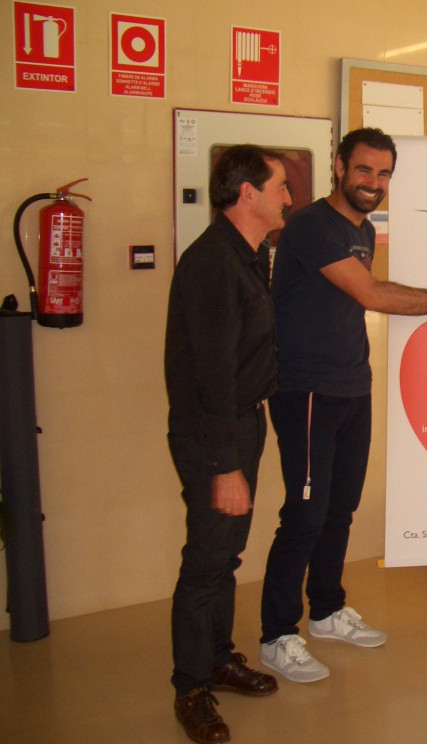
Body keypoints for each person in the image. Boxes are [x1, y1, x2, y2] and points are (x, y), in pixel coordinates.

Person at [259, 127, 427, 682]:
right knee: (306, 513)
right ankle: (276, 633)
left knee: (340, 508)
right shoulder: (311, 226)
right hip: (306, 390)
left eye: (384, 173)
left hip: (350, 387)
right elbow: (369, 293)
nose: (374, 183)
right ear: (339, 167)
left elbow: (362, 290)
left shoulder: (359, 227)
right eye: (364, 170)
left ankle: (329, 609)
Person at [165, 144, 292, 744]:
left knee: (226, 556)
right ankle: (191, 688)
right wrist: (225, 467)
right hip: (216, 433)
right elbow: (210, 375)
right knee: (207, 562)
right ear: (249, 194)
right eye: (280, 187)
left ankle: (218, 656)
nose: (288, 198)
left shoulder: (248, 254)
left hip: (242, 423)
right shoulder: (215, 262)